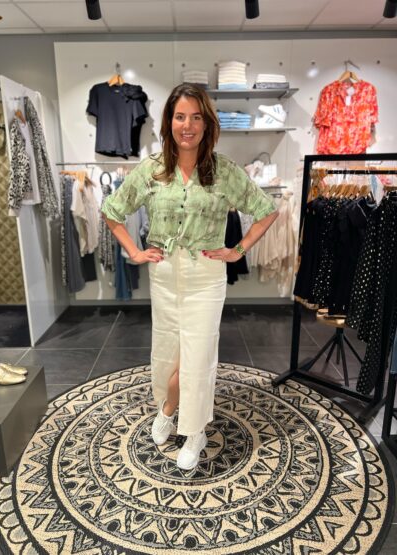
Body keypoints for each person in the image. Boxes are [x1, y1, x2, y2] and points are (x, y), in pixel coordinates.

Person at [102, 83, 278, 470]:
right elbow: (112, 210)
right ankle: (168, 407)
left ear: (207, 123)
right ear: (169, 122)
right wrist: (134, 251)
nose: (188, 125)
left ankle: (195, 430)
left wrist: (238, 250)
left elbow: (266, 210)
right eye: (180, 116)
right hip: (164, 274)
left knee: (198, 357)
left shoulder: (224, 171)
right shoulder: (152, 169)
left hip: (205, 276)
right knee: (168, 352)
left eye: (196, 117)